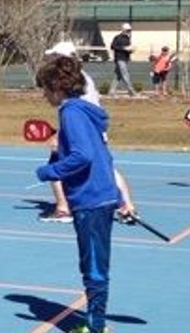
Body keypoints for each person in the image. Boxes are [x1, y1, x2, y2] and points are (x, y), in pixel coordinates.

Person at [34, 54, 120, 333]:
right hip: (98, 195)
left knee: (95, 269)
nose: (43, 95)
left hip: (91, 199)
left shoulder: (71, 113)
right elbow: (104, 156)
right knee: (90, 266)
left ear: (57, 87)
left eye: (45, 88)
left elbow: (83, 156)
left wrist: (49, 171)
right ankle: (93, 322)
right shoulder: (84, 111)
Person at [40, 42, 136, 223]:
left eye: (55, 57)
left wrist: (60, 135)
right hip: (92, 128)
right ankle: (126, 206)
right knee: (107, 168)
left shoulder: (70, 84)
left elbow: (75, 113)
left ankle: (63, 208)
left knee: (59, 163)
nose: (51, 60)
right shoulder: (82, 78)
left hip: (83, 130)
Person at [109, 22, 137, 97]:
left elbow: (127, 50)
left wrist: (131, 50)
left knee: (117, 76)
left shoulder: (128, 39)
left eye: (129, 30)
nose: (129, 31)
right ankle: (131, 91)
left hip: (125, 59)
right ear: (123, 30)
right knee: (125, 75)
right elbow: (113, 46)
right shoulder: (118, 37)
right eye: (127, 30)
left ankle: (112, 91)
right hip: (119, 58)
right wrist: (124, 48)